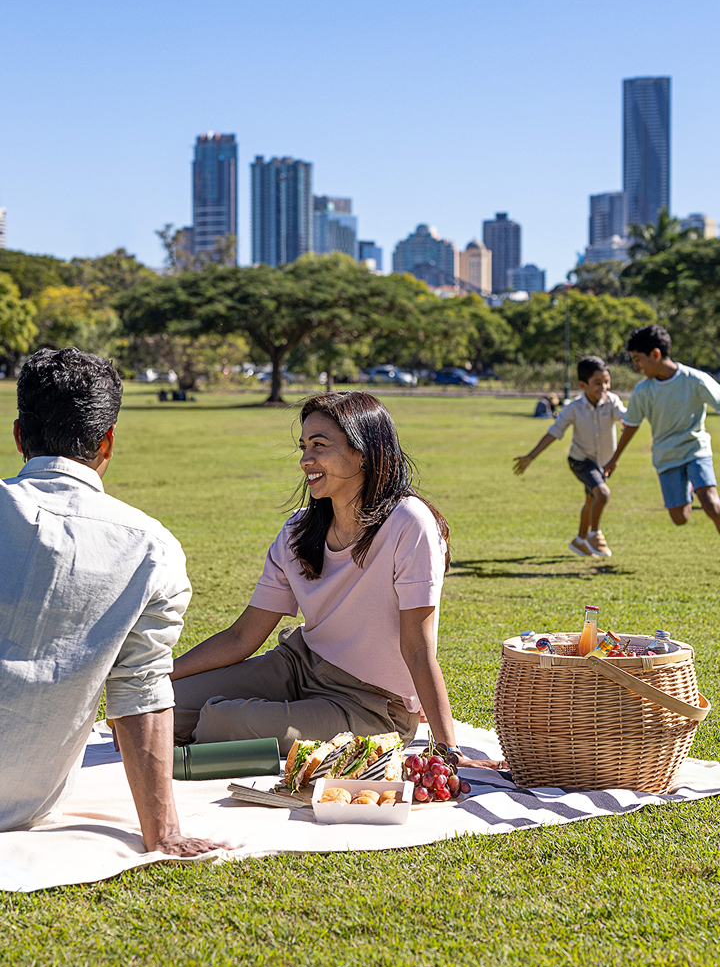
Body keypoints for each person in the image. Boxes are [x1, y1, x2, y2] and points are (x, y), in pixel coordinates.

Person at [172, 391, 499, 770]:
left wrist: (446, 751)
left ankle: (218, 743)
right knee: (164, 705)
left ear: (364, 454)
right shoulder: (298, 529)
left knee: (222, 720)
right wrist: (158, 678)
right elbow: (242, 636)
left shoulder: (409, 523)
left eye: (319, 446)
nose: (305, 460)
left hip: (371, 705)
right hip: (299, 665)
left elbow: (417, 647)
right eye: (304, 446)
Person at [0, 346, 221, 855]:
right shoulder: (151, 547)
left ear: (18, 435)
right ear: (108, 442)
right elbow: (141, 688)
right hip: (25, 806)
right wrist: (164, 833)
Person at [604, 324, 720, 533]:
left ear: (656, 354)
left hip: (695, 450)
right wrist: (614, 459)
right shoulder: (643, 391)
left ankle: (696, 484)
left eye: (638, 359)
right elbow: (631, 426)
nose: (637, 367)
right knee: (679, 518)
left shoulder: (695, 380)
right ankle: (689, 486)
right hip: (666, 456)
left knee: (711, 504)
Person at [513, 356, 627, 558]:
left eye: (607, 382)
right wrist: (531, 456)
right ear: (582, 385)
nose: (604, 387)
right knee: (602, 494)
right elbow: (554, 433)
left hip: (603, 463)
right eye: (598, 383)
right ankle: (595, 534)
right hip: (581, 461)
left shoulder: (612, 402)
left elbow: (626, 419)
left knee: (592, 499)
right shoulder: (573, 408)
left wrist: (631, 422)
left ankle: (579, 541)